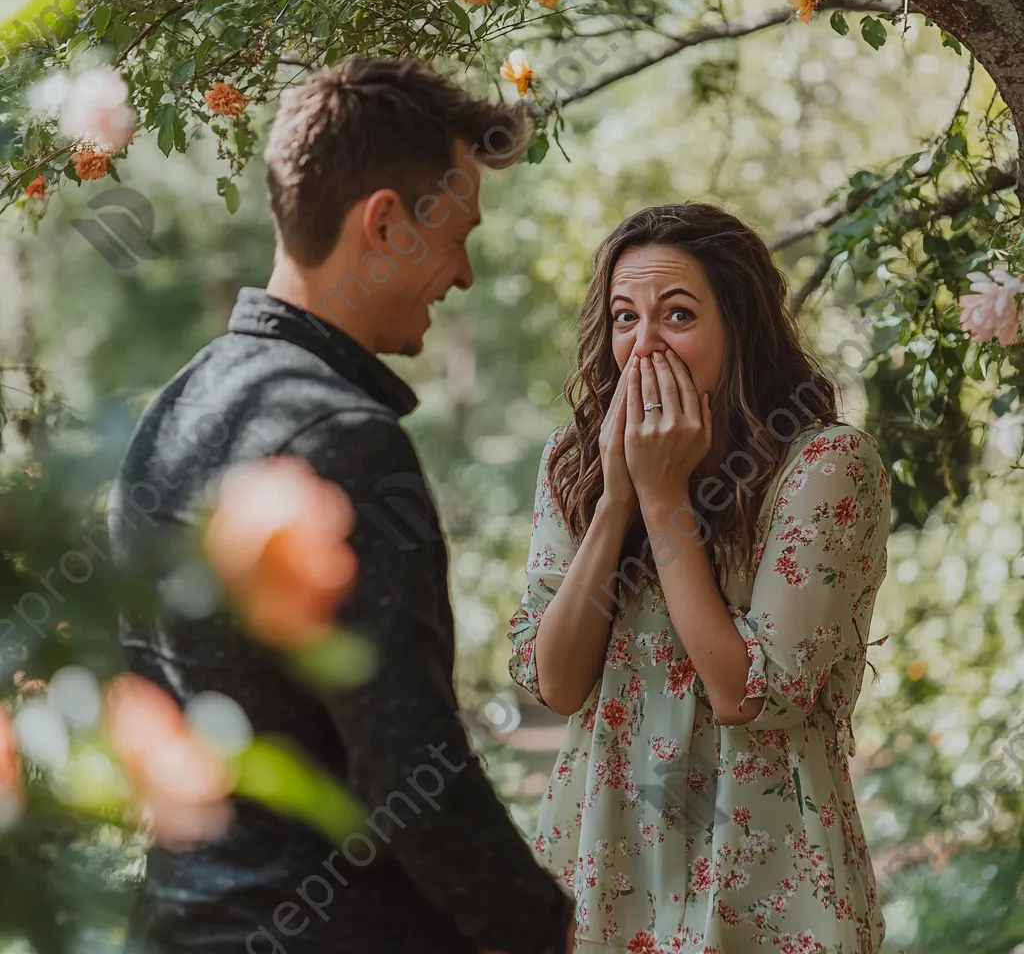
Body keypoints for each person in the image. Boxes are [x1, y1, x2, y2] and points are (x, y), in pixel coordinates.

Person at [109, 56, 575, 954]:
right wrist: (543, 929)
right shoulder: (343, 439)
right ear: (387, 222)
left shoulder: (175, 406)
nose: (465, 275)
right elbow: (409, 765)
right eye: (458, 235)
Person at [508, 203, 892, 953]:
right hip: (604, 862)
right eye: (625, 318)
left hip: (768, 872)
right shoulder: (573, 466)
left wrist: (662, 498)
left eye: (677, 315)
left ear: (739, 326)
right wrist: (619, 499)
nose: (644, 346)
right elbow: (554, 681)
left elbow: (751, 690)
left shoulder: (825, 468)